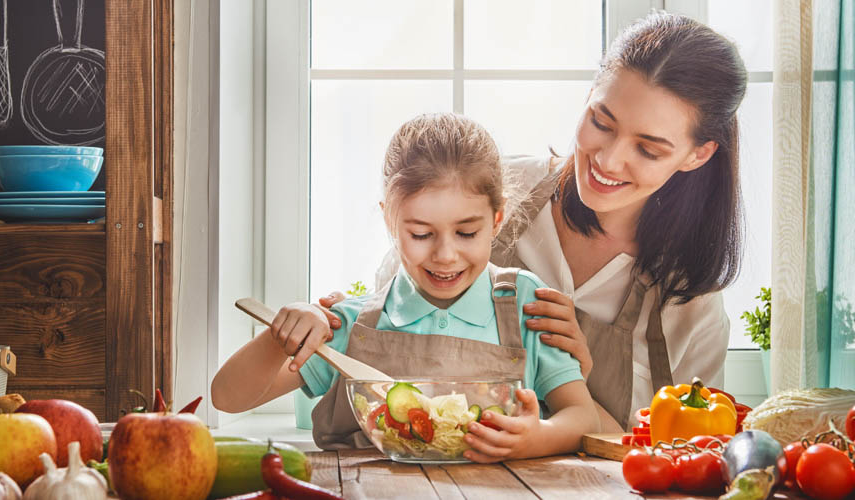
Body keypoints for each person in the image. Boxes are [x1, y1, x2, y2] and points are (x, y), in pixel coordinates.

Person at [319, 12, 747, 433]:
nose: (608, 159)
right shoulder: (491, 192)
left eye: (648, 149)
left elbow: (686, 457)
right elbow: (390, 340)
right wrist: (341, 322)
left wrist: (576, 384)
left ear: (698, 155)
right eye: (601, 122)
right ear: (589, 96)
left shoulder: (691, 301)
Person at [212, 113, 599, 462]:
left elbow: (582, 416)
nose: (446, 255)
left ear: (497, 219)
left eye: (467, 232)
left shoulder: (523, 304)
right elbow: (228, 398)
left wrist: (538, 438)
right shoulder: (351, 323)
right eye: (420, 233)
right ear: (390, 222)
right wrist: (280, 336)